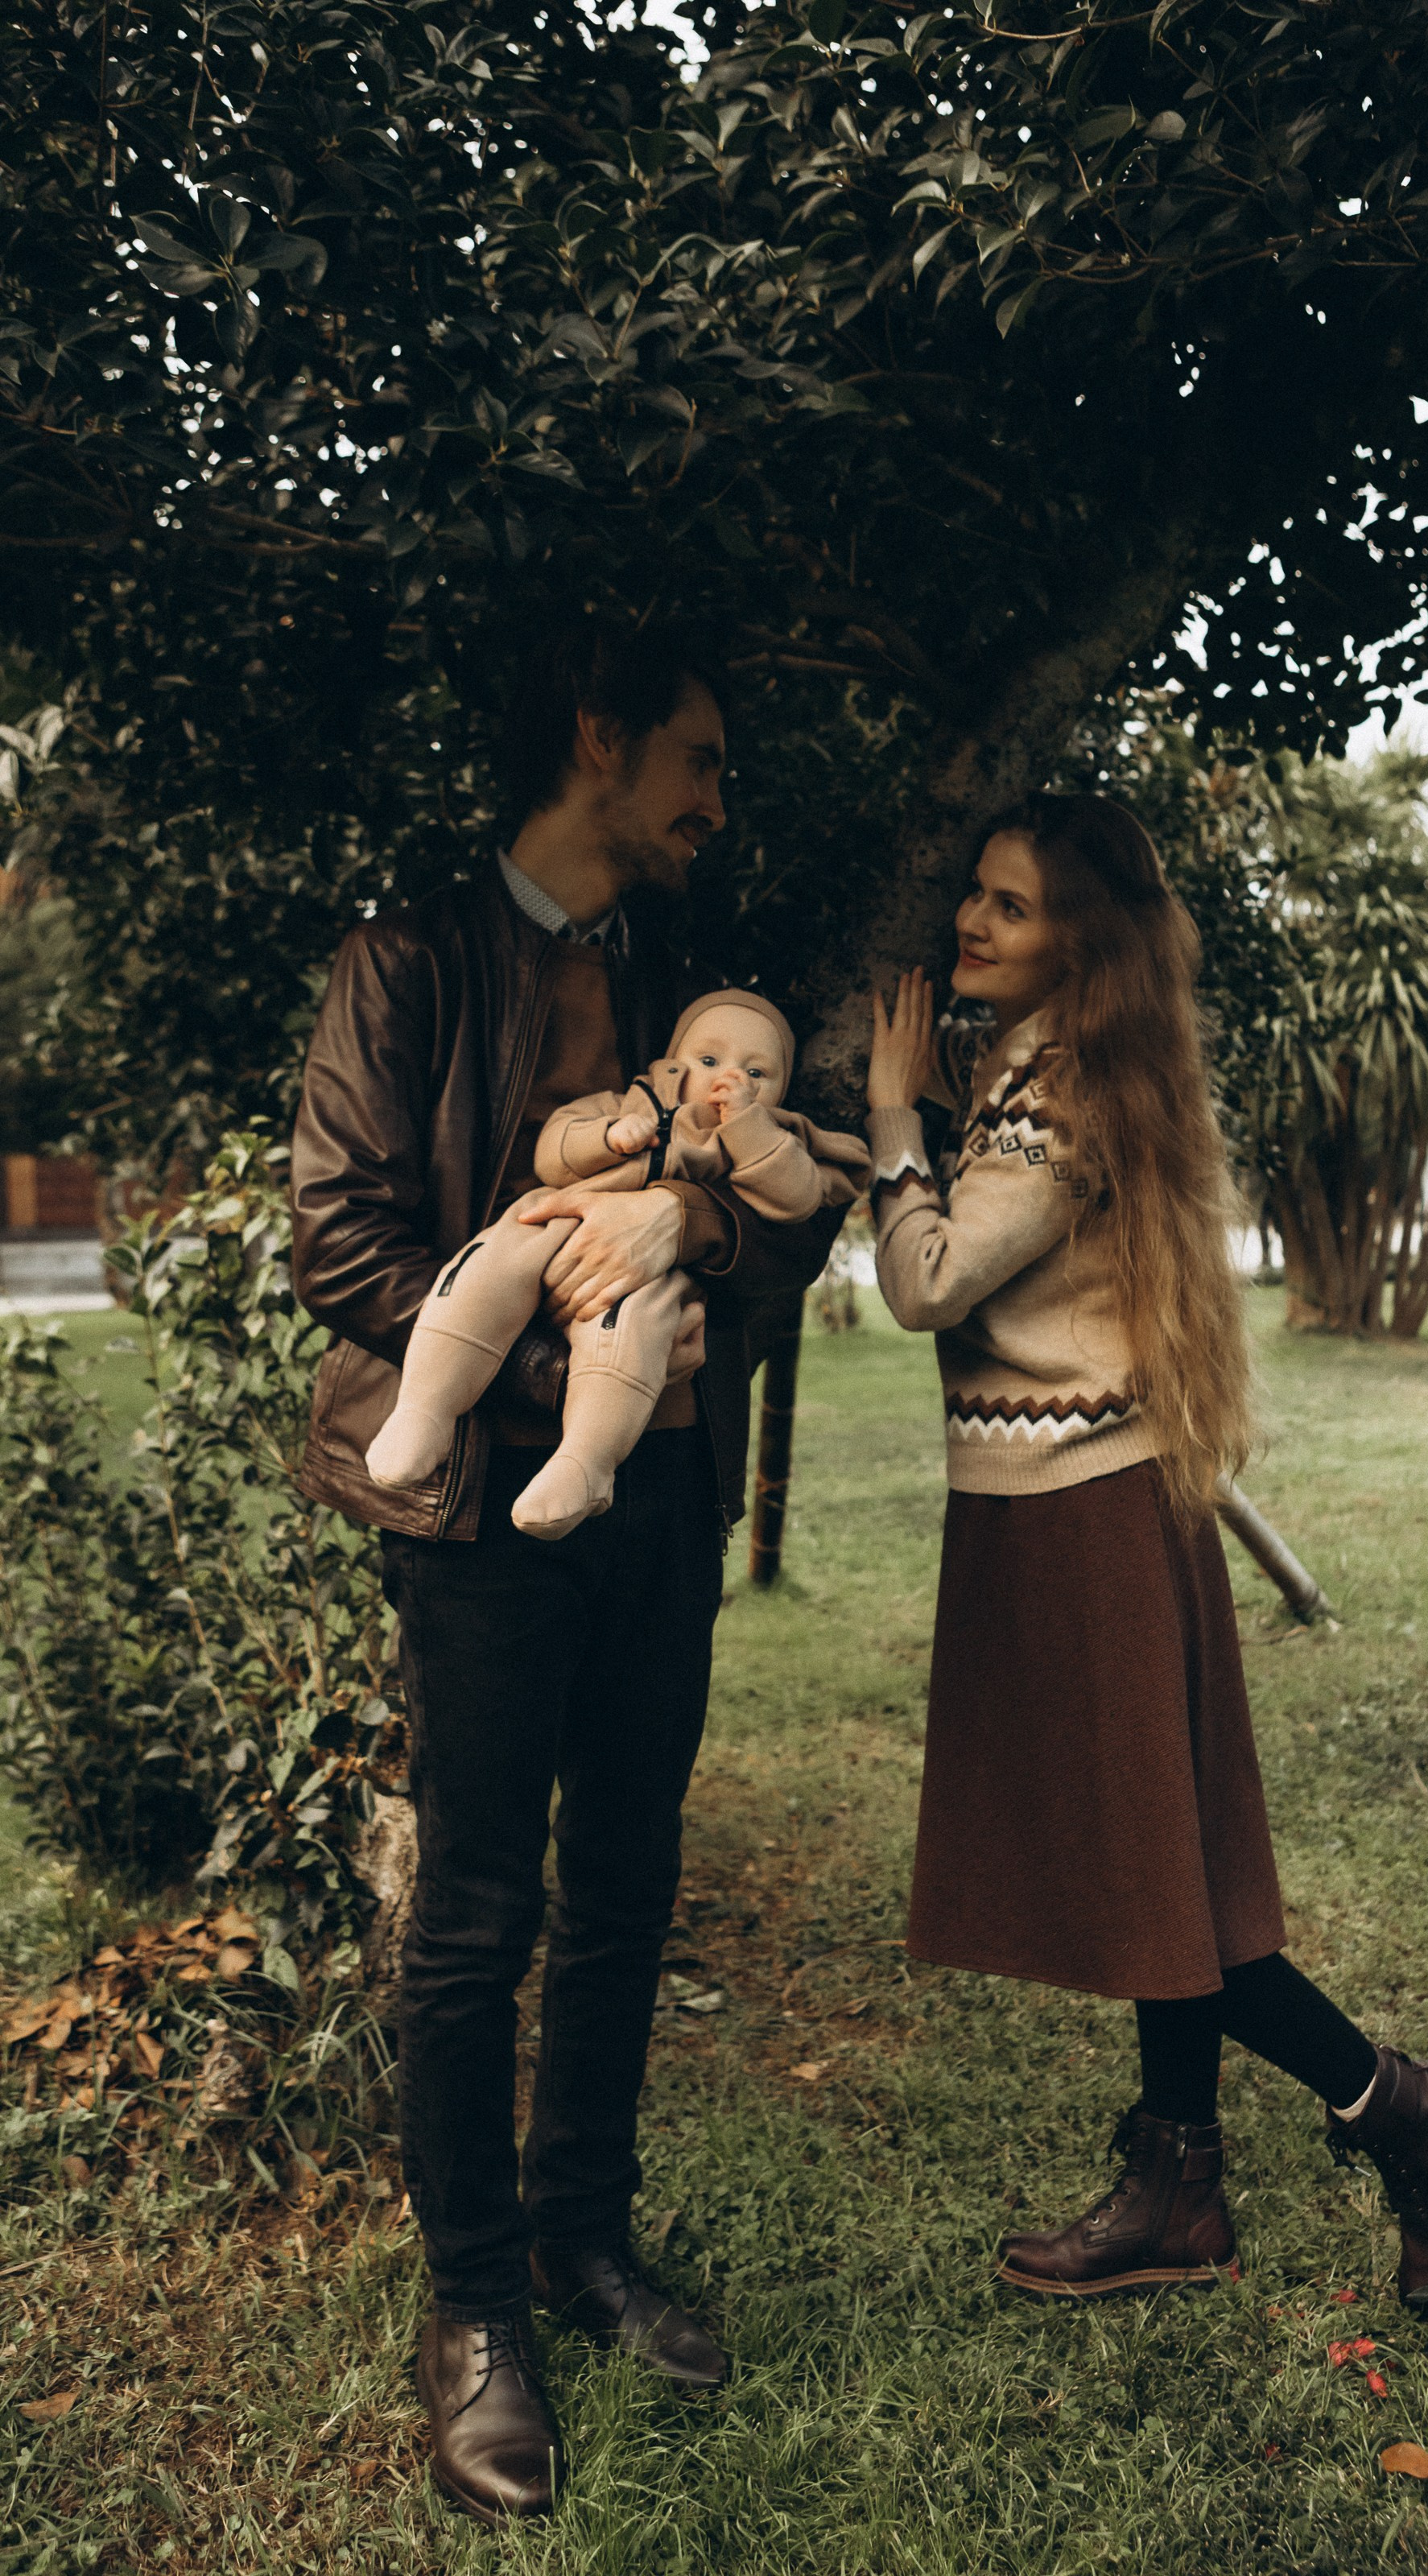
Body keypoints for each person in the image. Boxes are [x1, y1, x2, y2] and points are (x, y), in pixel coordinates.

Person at [291, 620, 842, 2526]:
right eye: (693, 756)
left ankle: (580, 2238)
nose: (714, 798)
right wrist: (544, 1364)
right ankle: (468, 2310)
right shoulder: (408, 961)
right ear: (596, 743)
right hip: (473, 1519)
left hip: (662, 1508)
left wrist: (688, 1215)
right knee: (474, 1915)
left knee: (624, 1887)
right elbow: (345, 1243)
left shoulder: (691, 979)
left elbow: (776, 1226)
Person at [865, 791, 1428, 2306]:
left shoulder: (1053, 1093)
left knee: (1151, 1885)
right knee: (1164, 1875)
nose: (970, 919)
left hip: (1079, 1514)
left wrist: (894, 1110)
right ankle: (1180, 2184)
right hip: (1088, 1499)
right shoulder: (1065, 1066)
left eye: (1007, 905)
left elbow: (928, 1279)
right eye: (975, 890)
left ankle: (1415, 2114)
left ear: (1076, 942)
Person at [365, 989, 868, 1538]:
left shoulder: (765, 1138)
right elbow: (552, 1150)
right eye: (709, 1060)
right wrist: (607, 1137)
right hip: (553, 1223)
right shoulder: (629, 1104)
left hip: (647, 1274)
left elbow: (794, 1197)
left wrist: (747, 1125)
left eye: (757, 1072)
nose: (731, 1078)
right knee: (484, 1271)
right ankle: (425, 1410)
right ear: (673, 1065)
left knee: (631, 1333)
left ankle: (584, 1464)